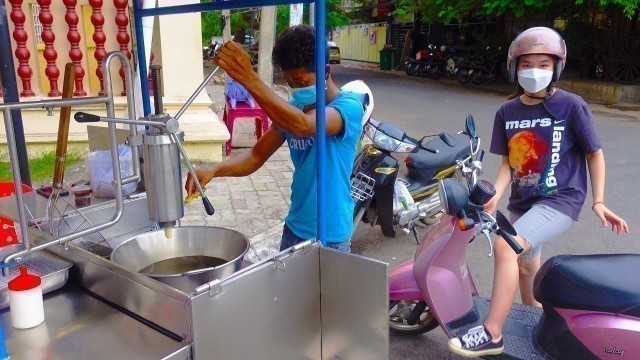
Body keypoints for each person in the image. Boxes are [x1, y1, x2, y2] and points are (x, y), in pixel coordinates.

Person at [448, 26, 629, 357]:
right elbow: (508, 164)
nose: (535, 71)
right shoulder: (508, 112)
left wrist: (599, 200)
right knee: (526, 266)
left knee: (507, 247)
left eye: (544, 64)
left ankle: (492, 333)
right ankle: (534, 324)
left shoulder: (572, 107)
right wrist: (496, 193)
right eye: (527, 64)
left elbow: (594, 154)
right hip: (523, 202)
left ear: (557, 67)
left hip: (561, 199)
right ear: (514, 68)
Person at [185, 25, 364, 253]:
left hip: (331, 234)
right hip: (295, 227)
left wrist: (249, 78)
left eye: (301, 81)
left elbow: (304, 125)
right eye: (290, 83)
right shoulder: (293, 108)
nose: (295, 88)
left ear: (326, 71)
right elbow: (256, 154)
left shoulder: (348, 108)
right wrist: (213, 170)